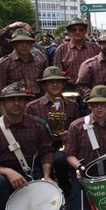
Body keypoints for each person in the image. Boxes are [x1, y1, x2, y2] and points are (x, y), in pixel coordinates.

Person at [26, 66, 81, 197]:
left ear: (63, 84)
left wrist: (69, 134)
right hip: (40, 150)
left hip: (64, 148)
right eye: (51, 82)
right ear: (44, 85)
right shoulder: (32, 108)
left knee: (60, 159)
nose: (55, 84)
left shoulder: (72, 106)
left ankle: (64, 186)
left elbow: (79, 131)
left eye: (58, 81)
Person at [0, 29, 47, 110]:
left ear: (31, 44)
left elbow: (43, 86)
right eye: (20, 42)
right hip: (14, 105)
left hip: (36, 105)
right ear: (13, 44)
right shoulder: (3, 63)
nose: (24, 45)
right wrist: (6, 117)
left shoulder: (39, 61)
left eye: (27, 42)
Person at [53, 18, 99, 91]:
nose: (77, 32)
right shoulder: (61, 49)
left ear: (85, 31)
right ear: (69, 32)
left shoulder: (95, 48)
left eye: (81, 30)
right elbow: (56, 72)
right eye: (74, 30)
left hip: (90, 87)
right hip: (68, 88)